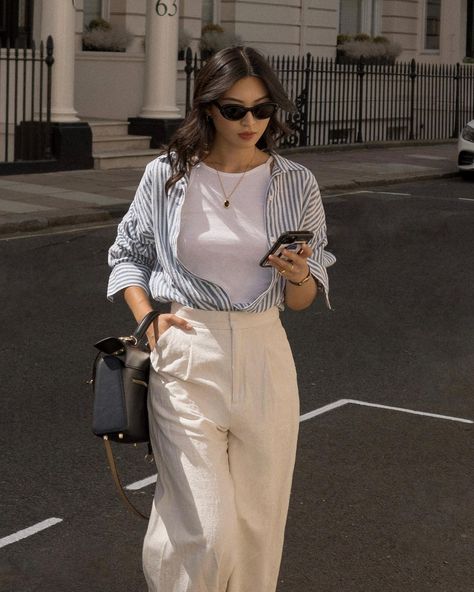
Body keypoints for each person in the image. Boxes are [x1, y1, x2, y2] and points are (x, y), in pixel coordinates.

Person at [107, 46, 335, 592]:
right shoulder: (167, 176)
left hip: (265, 356)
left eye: (262, 110)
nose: (251, 123)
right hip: (188, 354)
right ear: (208, 108)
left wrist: (299, 274)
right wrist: (148, 320)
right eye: (235, 110)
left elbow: (301, 299)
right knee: (206, 530)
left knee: (258, 527)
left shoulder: (296, 184)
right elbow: (127, 255)